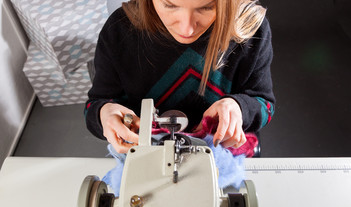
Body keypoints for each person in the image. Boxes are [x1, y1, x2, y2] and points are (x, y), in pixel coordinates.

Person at [85, 0, 275, 154]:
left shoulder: (251, 31)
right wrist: (104, 113)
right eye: (170, 5)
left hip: (224, 154)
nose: (187, 29)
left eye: (207, 7)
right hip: (144, 155)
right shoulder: (118, 31)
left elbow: (265, 104)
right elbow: (95, 104)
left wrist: (240, 107)